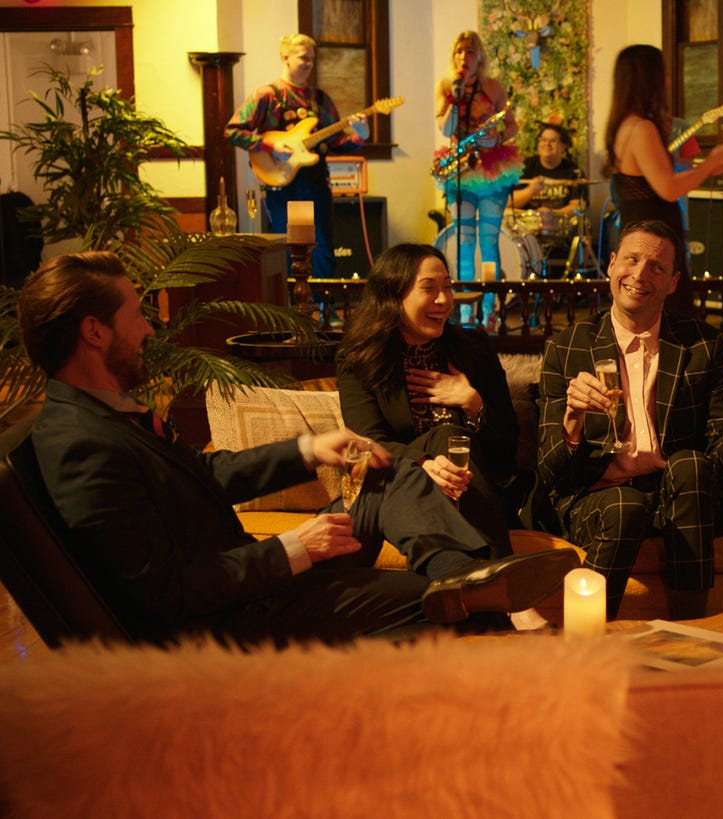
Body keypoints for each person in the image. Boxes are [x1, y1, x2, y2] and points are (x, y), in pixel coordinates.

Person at [18, 251, 578, 645]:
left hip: (253, 585)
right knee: (445, 604)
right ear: (94, 332)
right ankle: (484, 614)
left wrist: (308, 449)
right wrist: (294, 548)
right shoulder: (81, 446)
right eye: (136, 314)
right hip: (238, 617)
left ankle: (467, 576)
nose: (149, 328)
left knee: (387, 471)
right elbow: (164, 594)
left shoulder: (103, 414)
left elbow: (207, 473)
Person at [536, 219, 723, 620]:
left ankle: (691, 628)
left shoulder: (702, 344)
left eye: (656, 267)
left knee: (689, 465)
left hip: (679, 495)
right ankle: (584, 637)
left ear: (672, 283)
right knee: (625, 505)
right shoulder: (567, 347)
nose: (639, 274)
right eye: (631, 260)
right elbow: (552, 473)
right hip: (600, 496)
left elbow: (720, 470)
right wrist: (572, 419)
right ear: (612, 264)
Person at [335, 243, 553, 628]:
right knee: (445, 439)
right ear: (393, 295)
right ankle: (506, 595)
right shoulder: (360, 359)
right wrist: (420, 467)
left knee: (451, 437)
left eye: (448, 287)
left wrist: (473, 403)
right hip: (400, 493)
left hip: (479, 491)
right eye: (429, 288)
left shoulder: (472, 348)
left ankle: (486, 606)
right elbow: (370, 440)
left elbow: (506, 446)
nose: (443, 299)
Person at [226, 33, 367, 278]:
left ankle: (321, 299)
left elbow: (336, 142)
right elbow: (233, 131)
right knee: (285, 248)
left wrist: (360, 136)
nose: (309, 63)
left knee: (321, 249)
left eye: (312, 58)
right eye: (303, 57)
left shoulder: (320, 100)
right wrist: (271, 146)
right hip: (281, 185)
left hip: (315, 183)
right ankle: (288, 300)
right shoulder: (267, 95)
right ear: (285, 57)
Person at [604, 44, 723, 278]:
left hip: (641, 239)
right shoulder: (641, 128)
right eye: (662, 74)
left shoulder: (624, 125)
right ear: (648, 80)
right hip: (651, 244)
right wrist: (712, 161)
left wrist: (705, 169)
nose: (667, 81)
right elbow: (669, 188)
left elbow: (654, 181)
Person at [434, 30, 522, 303]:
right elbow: (445, 129)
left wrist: (497, 137)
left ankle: (489, 311)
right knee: (464, 242)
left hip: (491, 170)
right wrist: (454, 97)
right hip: (459, 171)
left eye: (470, 51)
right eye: (459, 51)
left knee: (488, 241)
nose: (464, 56)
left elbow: (512, 126)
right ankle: (464, 311)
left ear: (480, 56)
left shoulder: (493, 87)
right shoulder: (446, 87)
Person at [509, 123, 583, 218]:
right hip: (527, 223)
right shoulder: (523, 167)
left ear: (563, 147)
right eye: (543, 140)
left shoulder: (574, 171)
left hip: (560, 223)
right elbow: (507, 203)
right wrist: (530, 191)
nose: (547, 144)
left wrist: (553, 213)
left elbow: (579, 207)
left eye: (553, 141)